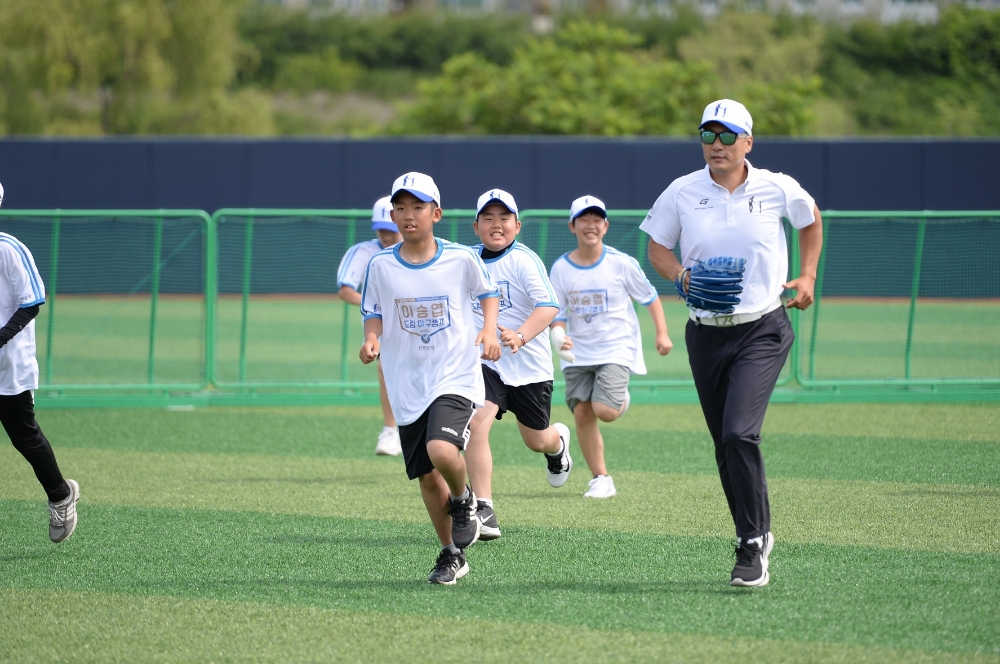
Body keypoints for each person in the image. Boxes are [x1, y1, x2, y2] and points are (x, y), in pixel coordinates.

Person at [640, 99, 823, 587]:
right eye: (707, 134)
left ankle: (752, 542)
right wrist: (678, 275)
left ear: (748, 142)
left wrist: (806, 275)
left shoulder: (776, 186)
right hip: (704, 332)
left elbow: (810, 219)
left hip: (762, 326)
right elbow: (656, 245)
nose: (716, 145)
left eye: (727, 135)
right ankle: (752, 532)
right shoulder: (682, 191)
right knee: (725, 443)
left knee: (740, 432)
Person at [359, 172, 501, 585]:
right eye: (400, 207)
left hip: (454, 374)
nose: (408, 215)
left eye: (418, 207)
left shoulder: (460, 258)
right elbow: (373, 311)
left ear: (435, 213)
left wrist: (489, 330)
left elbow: (487, 294)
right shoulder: (380, 264)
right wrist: (371, 339)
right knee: (425, 474)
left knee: (442, 449)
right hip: (407, 382)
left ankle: (464, 498)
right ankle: (451, 554)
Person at [549, 195, 673, 499]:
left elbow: (650, 297)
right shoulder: (561, 268)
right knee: (582, 414)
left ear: (605, 226)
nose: (590, 225)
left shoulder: (621, 263)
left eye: (596, 220)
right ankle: (601, 478)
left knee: (605, 410)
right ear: (572, 226)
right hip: (577, 353)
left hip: (616, 348)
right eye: (584, 220)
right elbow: (557, 314)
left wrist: (662, 333)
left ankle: (618, 398)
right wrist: (558, 336)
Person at [465, 189, 573, 540]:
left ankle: (558, 446)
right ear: (476, 225)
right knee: (477, 421)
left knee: (536, 440)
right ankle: (484, 507)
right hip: (486, 362)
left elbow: (548, 306)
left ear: (517, 225)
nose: (496, 225)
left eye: (504, 219)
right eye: (488, 219)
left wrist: (521, 336)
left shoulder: (524, 260)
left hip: (528, 366)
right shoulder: (466, 259)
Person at [0, 181, 79, 543]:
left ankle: (61, 495)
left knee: (24, 438)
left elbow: (32, 301)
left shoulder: (9, 249)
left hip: (9, 366)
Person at [338, 196, 404, 456]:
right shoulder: (365, 252)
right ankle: (390, 431)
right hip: (383, 327)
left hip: (420, 322)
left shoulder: (426, 250)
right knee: (385, 368)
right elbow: (345, 290)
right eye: (381, 230)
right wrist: (376, 309)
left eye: (390, 230)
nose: (386, 236)